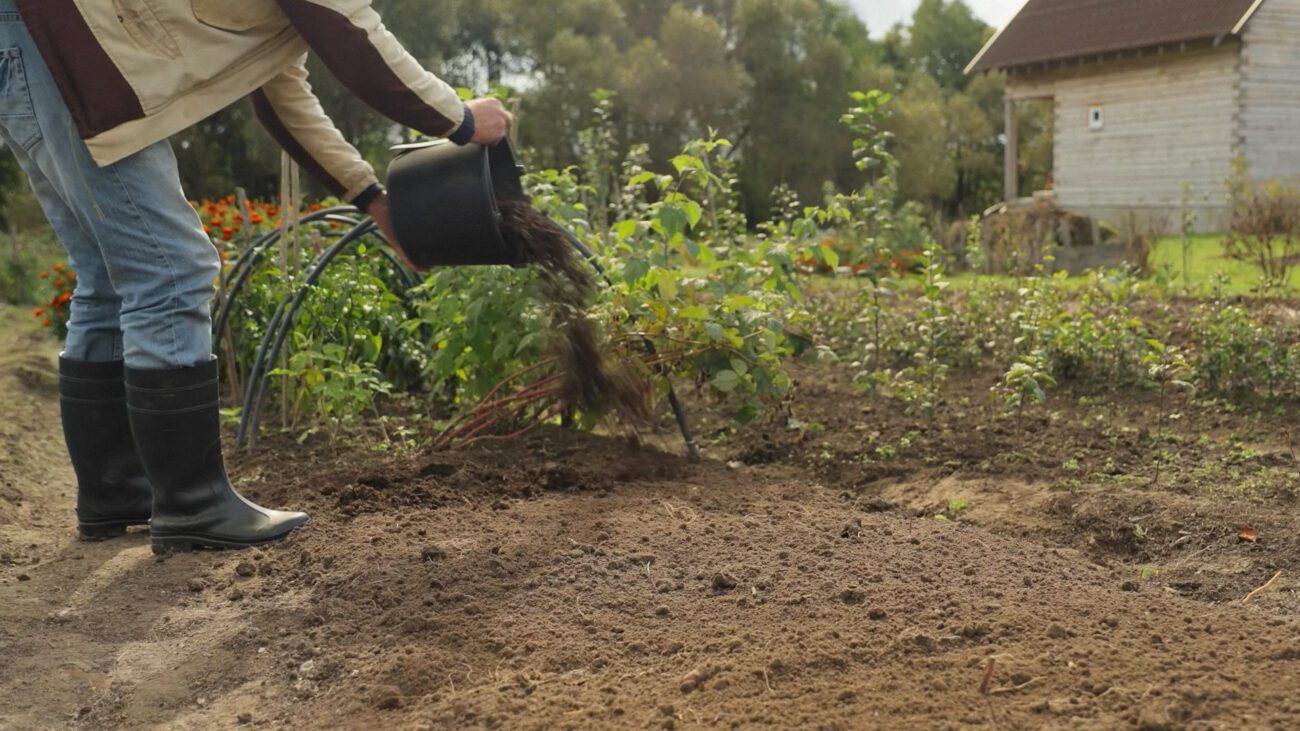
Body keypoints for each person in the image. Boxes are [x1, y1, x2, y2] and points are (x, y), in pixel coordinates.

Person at [0, 0, 511, 553]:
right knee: (173, 270)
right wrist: (459, 119)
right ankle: (192, 504)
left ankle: (117, 493)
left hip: (34, 44)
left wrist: (372, 199)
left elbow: (280, 94)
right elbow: (352, 36)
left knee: (106, 276)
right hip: (67, 45)